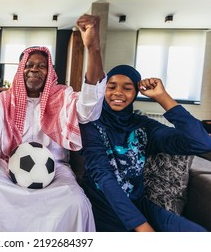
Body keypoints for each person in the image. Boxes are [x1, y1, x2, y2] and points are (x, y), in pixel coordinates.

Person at [0, 14, 106, 231]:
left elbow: (89, 110)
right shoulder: (5, 99)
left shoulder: (63, 96)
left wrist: (93, 49)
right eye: (29, 65)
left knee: (76, 202)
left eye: (41, 66)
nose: (34, 69)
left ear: (49, 73)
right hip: (7, 166)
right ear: (21, 70)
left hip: (55, 168)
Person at [79, 64, 211, 232]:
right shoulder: (91, 125)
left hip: (139, 205)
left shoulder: (145, 126)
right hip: (102, 207)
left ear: (135, 94)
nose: (118, 92)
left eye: (127, 88)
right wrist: (142, 227)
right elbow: (103, 176)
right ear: (102, 91)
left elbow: (201, 143)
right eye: (111, 87)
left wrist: (163, 97)